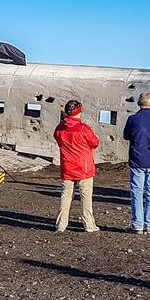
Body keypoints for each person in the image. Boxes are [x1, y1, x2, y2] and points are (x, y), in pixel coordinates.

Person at [52, 100, 101, 233]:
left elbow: (58, 138)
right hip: (84, 168)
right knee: (86, 198)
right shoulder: (84, 129)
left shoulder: (59, 129)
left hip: (67, 167)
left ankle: (61, 225)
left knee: (66, 197)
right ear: (79, 112)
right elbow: (95, 143)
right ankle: (89, 224)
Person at [123, 92, 150, 234]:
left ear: (139, 104)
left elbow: (126, 135)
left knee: (137, 193)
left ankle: (137, 224)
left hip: (137, 160)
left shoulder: (133, 119)